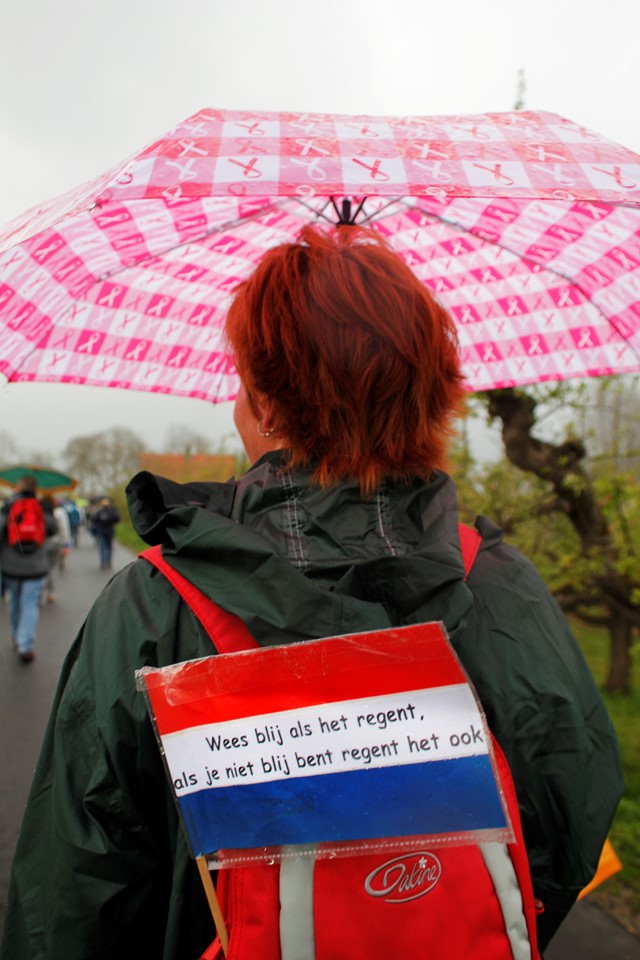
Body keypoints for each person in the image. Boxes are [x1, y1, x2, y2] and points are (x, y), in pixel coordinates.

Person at [0, 227, 622, 958]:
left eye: (242, 382)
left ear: (266, 403)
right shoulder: (498, 579)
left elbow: (71, 892)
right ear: (428, 397)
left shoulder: (153, 606)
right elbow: (569, 816)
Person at [0, 475, 57, 663]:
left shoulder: (8, 508)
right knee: (30, 603)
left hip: (10, 565)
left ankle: (16, 637)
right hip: (35, 566)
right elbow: (52, 528)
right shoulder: (39, 507)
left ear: (18, 488)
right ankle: (26, 645)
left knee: (14, 601)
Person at [91, 496, 120, 569]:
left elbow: (94, 520)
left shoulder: (99, 512)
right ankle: (109, 562)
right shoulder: (112, 512)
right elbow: (117, 519)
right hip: (110, 531)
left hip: (102, 531)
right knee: (109, 547)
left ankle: (103, 562)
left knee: (102, 547)